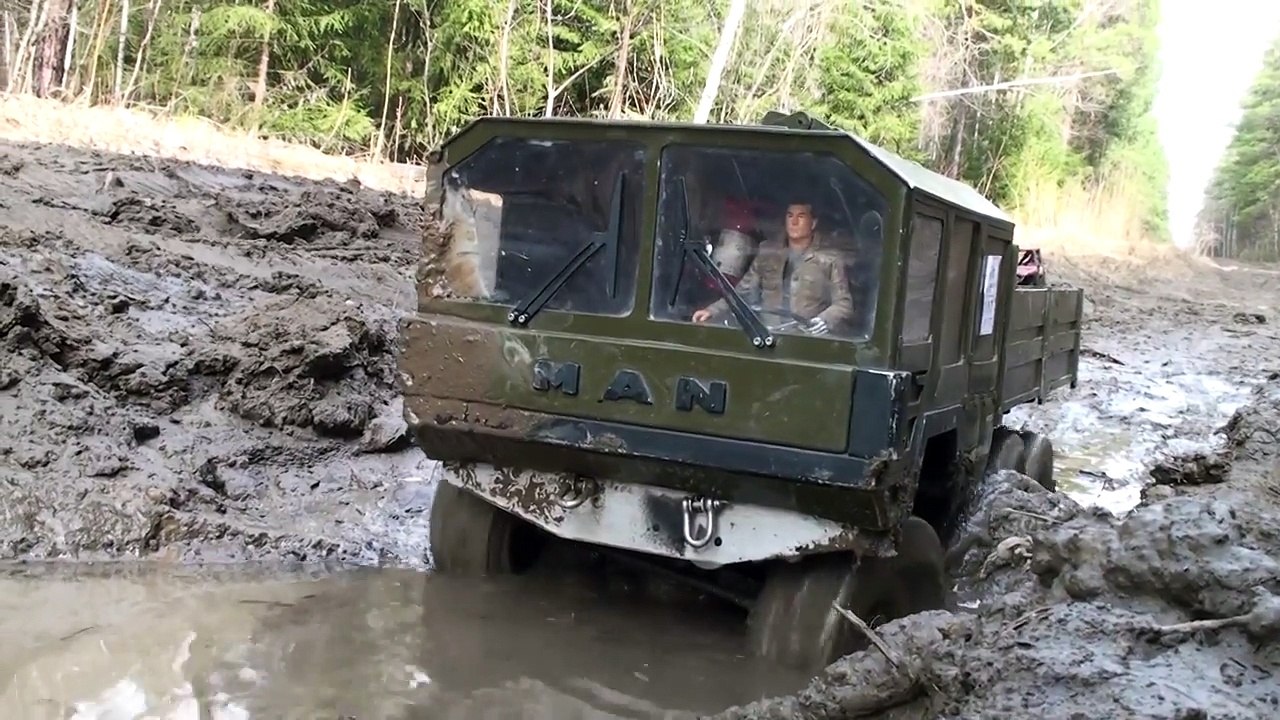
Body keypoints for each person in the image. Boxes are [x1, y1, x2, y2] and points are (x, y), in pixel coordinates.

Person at [691, 199, 854, 335]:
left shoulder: (829, 258)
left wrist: (824, 319)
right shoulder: (767, 252)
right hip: (768, 335)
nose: (794, 222)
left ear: (813, 223)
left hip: (806, 338)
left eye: (801, 216)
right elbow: (742, 292)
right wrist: (712, 311)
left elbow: (843, 304)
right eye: (790, 216)